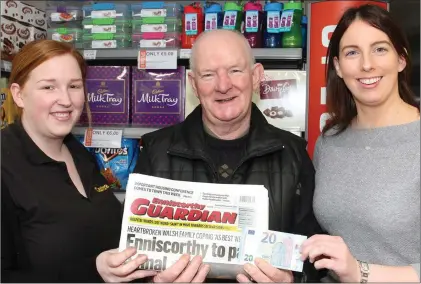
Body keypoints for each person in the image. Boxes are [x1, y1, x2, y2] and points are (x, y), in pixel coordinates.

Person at [1, 40, 209, 283]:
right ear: (18, 94)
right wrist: (94, 270)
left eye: (74, 86)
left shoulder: (77, 153)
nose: (66, 100)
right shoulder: (7, 165)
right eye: (48, 87)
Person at [133, 29, 323, 283]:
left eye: (235, 70)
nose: (223, 85)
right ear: (194, 84)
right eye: (209, 75)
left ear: (256, 77)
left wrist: (293, 281)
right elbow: (131, 258)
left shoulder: (293, 154)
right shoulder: (155, 151)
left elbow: (315, 258)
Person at [300, 4, 420, 283]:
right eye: (352, 52)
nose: (367, 64)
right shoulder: (329, 142)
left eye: (380, 49)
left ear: (401, 59)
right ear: (339, 67)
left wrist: (360, 273)